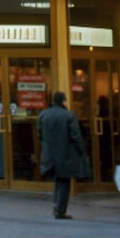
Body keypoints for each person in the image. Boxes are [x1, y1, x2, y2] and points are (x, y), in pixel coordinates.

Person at [38, 91, 89, 220]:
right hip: (66, 153)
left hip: (50, 153)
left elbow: (39, 134)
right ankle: (60, 210)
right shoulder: (69, 116)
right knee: (64, 182)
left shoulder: (43, 114)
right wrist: (81, 150)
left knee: (57, 181)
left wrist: (45, 147)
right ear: (64, 101)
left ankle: (56, 206)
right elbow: (75, 135)